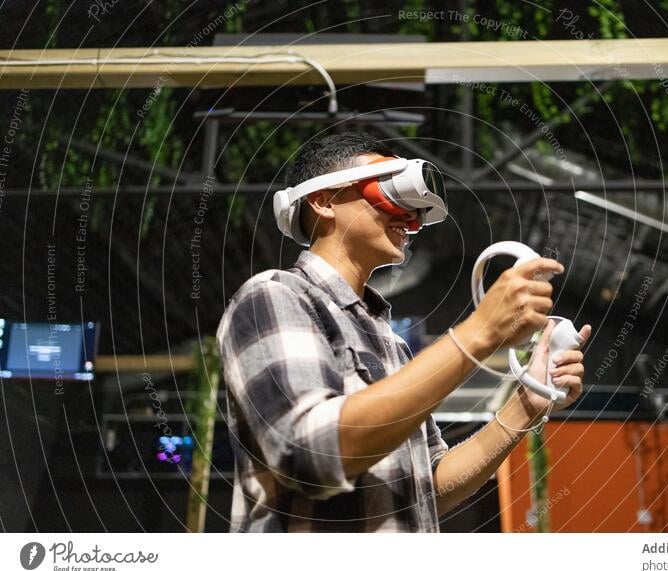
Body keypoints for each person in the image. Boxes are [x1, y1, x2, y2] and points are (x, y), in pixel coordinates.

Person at [216, 132, 591, 532]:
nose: (411, 220)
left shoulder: (391, 344)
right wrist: (479, 332)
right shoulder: (272, 298)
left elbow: (426, 490)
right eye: (391, 190)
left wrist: (528, 404)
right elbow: (311, 453)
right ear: (323, 201)